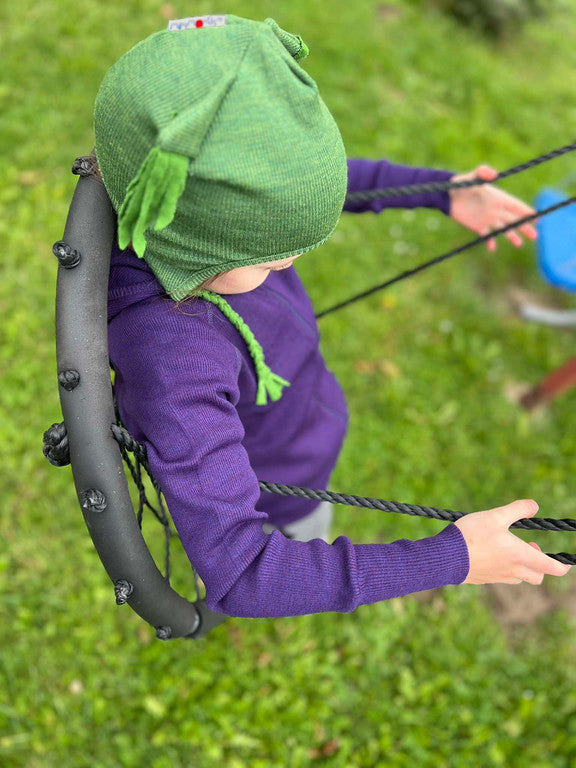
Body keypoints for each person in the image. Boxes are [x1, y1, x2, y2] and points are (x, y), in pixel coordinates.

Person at [96, 14, 570, 620]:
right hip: (282, 488)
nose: (287, 263)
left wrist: (441, 191)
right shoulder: (173, 361)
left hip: (299, 418)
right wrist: (456, 558)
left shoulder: (191, 215)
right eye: (271, 261)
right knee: (303, 550)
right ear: (202, 244)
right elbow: (245, 572)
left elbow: (301, 187)